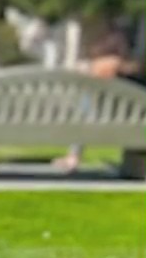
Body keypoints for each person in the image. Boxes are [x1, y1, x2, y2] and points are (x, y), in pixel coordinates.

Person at [56, 32, 142, 173]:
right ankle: (135, 164)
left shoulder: (91, 67)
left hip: (93, 119)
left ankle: (73, 157)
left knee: (85, 106)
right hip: (129, 121)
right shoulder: (129, 68)